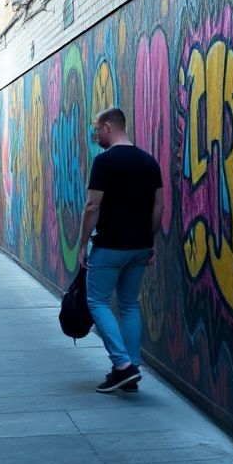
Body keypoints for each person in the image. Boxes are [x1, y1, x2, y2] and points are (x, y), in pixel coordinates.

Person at [75, 107, 163, 393]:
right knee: (128, 304)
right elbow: (159, 206)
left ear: (108, 127)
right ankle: (131, 367)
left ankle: (123, 365)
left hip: (110, 246)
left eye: (96, 129)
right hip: (139, 247)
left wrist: (82, 243)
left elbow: (92, 205)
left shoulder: (105, 162)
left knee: (97, 301)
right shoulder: (149, 162)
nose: (95, 134)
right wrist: (149, 240)